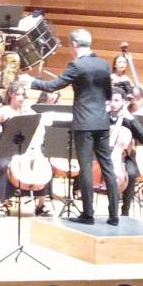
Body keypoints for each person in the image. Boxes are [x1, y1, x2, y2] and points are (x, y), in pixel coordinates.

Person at [28, 28, 118, 225]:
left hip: (84, 124)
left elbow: (53, 86)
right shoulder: (104, 65)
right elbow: (109, 95)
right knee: (108, 167)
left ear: (74, 45)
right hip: (102, 123)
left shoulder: (77, 66)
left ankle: (88, 215)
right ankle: (113, 216)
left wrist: (32, 82)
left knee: (85, 168)